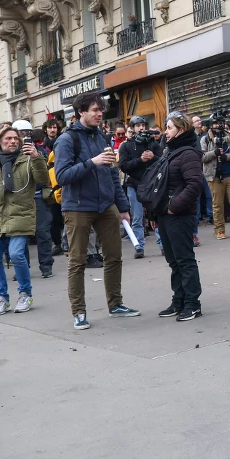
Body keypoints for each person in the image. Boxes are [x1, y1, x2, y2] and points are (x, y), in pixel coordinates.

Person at [54, 91, 140, 330]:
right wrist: (92, 162)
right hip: (78, 207)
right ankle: (79, 312)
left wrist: (122, 208)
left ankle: (116, 304)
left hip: (106, 206)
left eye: (101, 110)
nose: (100, 114)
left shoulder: (102, 137)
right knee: (77, 261)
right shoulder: (67, 139)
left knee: (114, 256)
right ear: (81, 112)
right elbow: (62, 177)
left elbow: (113, 174)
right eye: (94, 110)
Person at [0, 127, 49, 315]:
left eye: (15, 138)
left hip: (21, 213)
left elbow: (44, 179)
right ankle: (2, 298)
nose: (13, 142)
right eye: (8, 139)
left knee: (17, 254)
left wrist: (36, 157)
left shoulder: (27, 159)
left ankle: (25, 293)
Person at [151, 112, 205, 321]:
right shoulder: (169, 152)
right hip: (165, 214)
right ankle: (179, 300)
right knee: (173, 260)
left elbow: (195, 185)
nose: (166, 131)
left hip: (179, 215)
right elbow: (160, 184)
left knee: (184, 259)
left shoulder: (188, 153)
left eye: (170, 127)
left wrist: (174, 206)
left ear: (180, 130)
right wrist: (156, 213)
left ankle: (193, 303)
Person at [12, 120, 55, 278]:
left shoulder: (39, 152)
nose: (24, 137)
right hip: (18, 200)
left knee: (43, 232)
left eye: (27, 133)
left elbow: (44, 176)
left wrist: (36, 156)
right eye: (21, 134)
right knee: (19, 235)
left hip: (37, 197)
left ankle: (46, 265)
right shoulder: (9, 154)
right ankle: (22, 267)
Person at [118, 115, 161, 257]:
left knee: (156, 215)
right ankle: (139, 246)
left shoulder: (153, 143)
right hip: (134, 184)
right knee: (137, 218)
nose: (141, 128)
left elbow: (162, 162)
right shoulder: (126, 145)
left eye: (143, 125)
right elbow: (124, 166)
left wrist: (153, 157)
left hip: (152, 184)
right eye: (138, 126)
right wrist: (140, 160)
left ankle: (163, 244)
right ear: (132, 128)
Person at [200, 117, 230, 239]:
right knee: (217, 204)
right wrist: (214, 153)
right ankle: (219, 230)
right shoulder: (205, 138)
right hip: (214, 176)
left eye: (220, 123)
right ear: (211, 125)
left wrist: (227, 157)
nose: (218, 126)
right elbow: (202, 157)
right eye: (215, 123)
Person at [43, 118, 66, 253]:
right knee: (54, 216)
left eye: (55, 127)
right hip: (49, 185)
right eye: (50, 127)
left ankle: (67, 242)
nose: (52, 130)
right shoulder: (41, 146)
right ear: (46, 129)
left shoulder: (63, 142)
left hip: (62, 182)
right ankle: (57, 243)